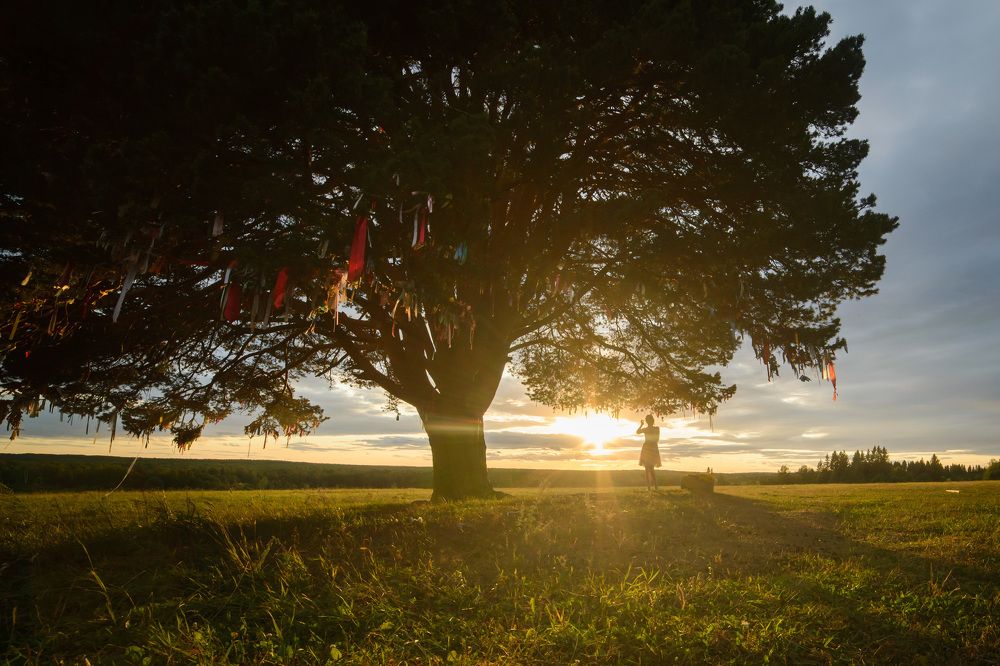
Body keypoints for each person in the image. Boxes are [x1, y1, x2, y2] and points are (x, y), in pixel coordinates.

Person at [636, 414, 661, 491]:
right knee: (650, 468)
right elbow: (657, 439)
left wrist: (641, 425)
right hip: (652, 447)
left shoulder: (648, 429)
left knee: (648, 468)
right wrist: (641, 425)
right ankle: (654, 487)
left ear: (648, 421)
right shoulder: (656, 429)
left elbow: (637, 432)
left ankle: (650, 487)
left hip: (648, 447)